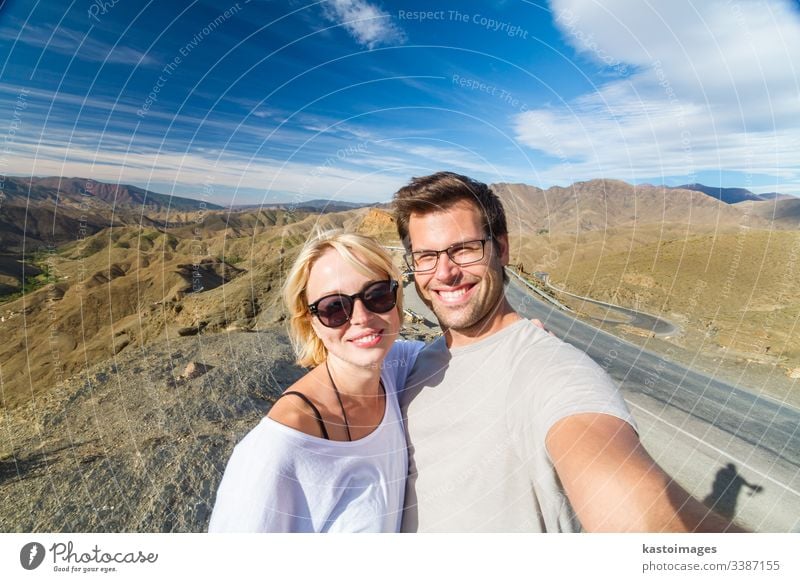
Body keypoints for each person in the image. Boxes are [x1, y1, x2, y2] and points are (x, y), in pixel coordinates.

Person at [394, 171, 740, 532]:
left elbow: (632, 508)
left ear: (502, 249)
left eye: (464, 249)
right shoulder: (410, 366)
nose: (445, 272)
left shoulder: (554, 369)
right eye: (426, 256)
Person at [208, 230, 422, 532]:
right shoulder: (280, 448)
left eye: (377, 295)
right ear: (311, 321)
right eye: (334, 307)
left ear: (396, 299)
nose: (361, 317)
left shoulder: (396, 370)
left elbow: (465, 350)